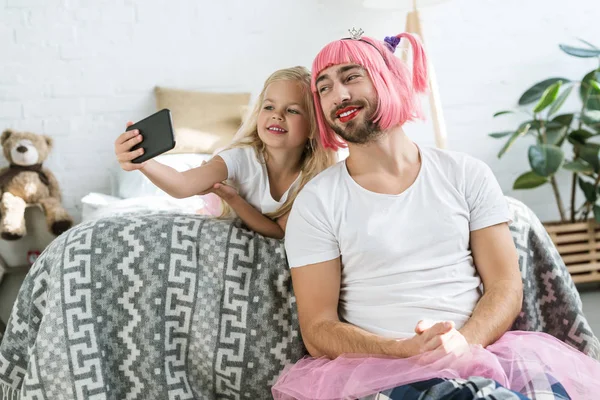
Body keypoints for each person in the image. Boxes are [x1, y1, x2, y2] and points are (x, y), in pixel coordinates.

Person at [272, 32, 600, 399]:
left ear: (389, 79)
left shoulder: (466, 174)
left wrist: (463, 345)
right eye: (324, 88)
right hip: (381, 373)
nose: (339, 96)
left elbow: (506, 286)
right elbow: (317, 328)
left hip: (481, 357)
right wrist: (400, 351)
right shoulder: (316, 202)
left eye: (351, 77)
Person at [114, 66, 336, 239]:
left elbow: (278, 231)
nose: (277, 115)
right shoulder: (240, 158)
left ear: (313, 126)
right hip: (217, 214)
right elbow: (181, 185)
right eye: (269, 107)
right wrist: (143, 162)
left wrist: (234, 198)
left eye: (292, 110)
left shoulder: (312, 176)